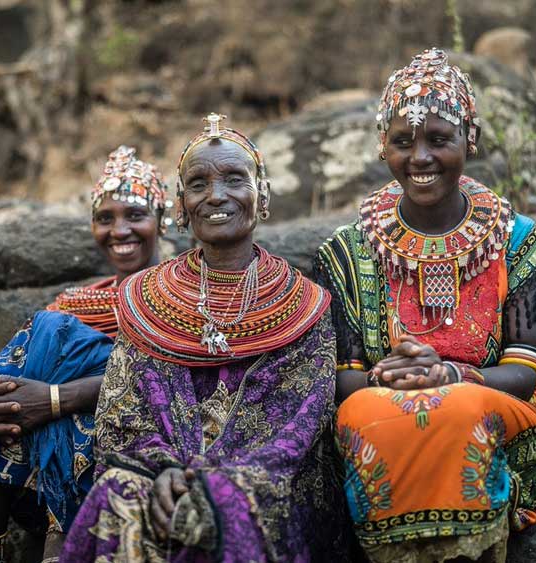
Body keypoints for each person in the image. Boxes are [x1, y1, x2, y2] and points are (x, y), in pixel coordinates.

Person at [62, 114, 351, 562]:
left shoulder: (303, 303)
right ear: (181, 204)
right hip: (160, 474)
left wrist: (207, 480)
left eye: (235, 179)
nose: (216, 195)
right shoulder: (147, 299)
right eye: (198, 184)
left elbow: (297, 427)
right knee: (118, 491)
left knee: (223, 506)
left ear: (263, 193)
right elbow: (122, 414)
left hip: (266, 481)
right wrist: (164, 472)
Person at [314, 48, 536, 563]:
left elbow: (523, 372)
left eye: (438, 139)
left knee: (460, 411)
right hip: (383, 399)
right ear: (383, 147)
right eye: (402, 141)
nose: (420, 157)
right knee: (363, 410)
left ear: (469, 139)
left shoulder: (519, 243)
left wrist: (449, 375)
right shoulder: (346, 251)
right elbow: (345, 378)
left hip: (487, 398)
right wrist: (391, 379)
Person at [0, 146, 172, 563]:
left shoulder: (179, 296)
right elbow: (17, 373)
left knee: (64, 393)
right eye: (105, 219)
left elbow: (166, 379)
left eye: (135, 215)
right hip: (30, 476)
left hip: (139, 443)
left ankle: (28, 548)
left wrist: (52, 401)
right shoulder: (74, 304)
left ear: (162, 220)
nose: (119, 230)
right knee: (47, 334)